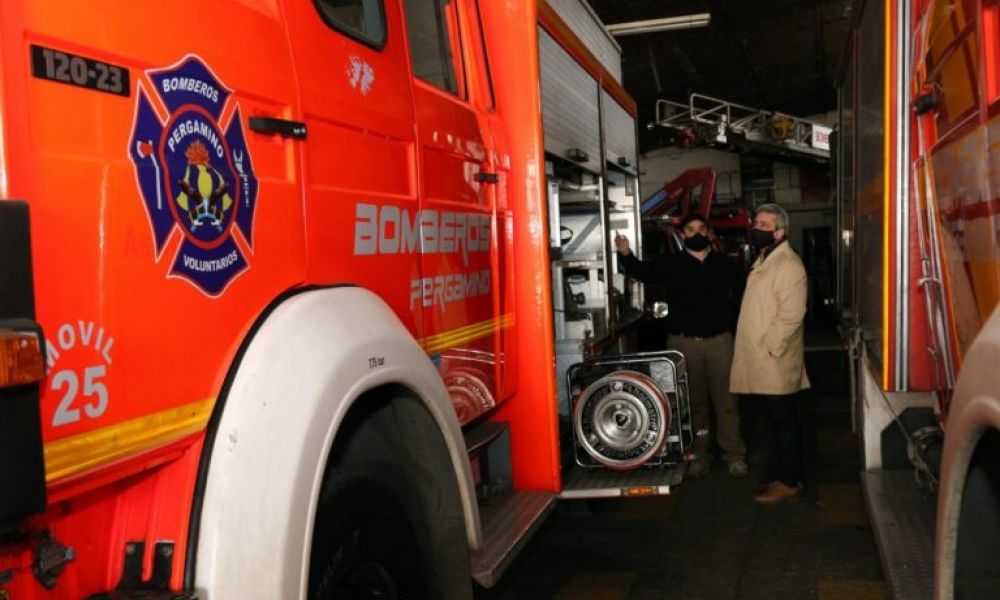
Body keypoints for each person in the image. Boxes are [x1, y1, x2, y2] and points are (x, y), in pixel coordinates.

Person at [615, 213, 748, 478]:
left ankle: (734, 455)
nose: (696, 233)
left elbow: (749, 289)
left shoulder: (724, 265)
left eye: (701, 229)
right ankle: (700, 455)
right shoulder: (672, 264)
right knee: (695, 403)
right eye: (690, 229)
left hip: (720, 342)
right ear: (683, 234)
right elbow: (642, 272)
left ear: (709, 233)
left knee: (727, 402)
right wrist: (626, 253)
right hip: (684, 343)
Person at [729, 203, 810, 503]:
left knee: (784, 420)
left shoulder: (788, 265)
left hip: (773, 359)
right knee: (778, 421)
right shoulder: (769, 258)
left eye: (764, 225)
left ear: (780, 231)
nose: (756, 228)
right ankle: (786, 475)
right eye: (756, 223)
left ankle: (789, 481)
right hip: (766, 358)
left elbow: (791, 315)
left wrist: (769, 348)